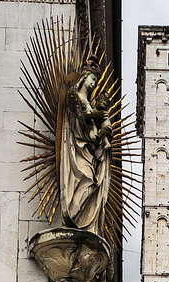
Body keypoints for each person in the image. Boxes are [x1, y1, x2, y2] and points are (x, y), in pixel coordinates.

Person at [59, 56, 112, 236]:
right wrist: (97, 116)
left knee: (91, 182)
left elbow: (94, 130)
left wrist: (102, 134)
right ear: (85, 77)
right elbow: (76, 119)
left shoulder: (89, 103)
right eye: (93, 80)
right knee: (87, 179)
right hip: (76, 147)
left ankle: (78, 220)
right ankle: (71, 219)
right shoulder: (74, 96)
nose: (93, 84)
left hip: (88, 150)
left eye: (95, 82)